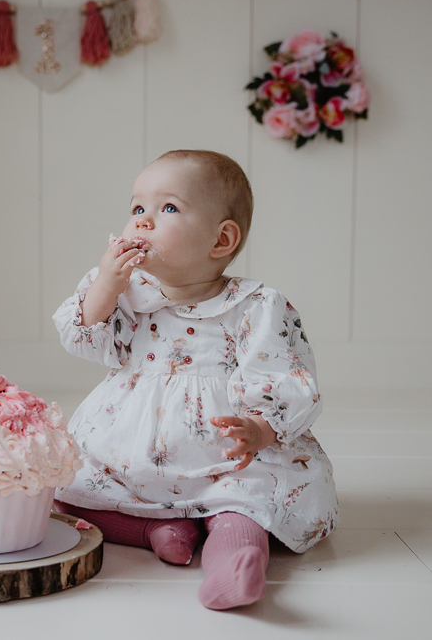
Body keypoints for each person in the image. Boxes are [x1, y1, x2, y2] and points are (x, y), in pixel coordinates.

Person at [52, 149, 337, 610]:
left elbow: (286, 376)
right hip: (133, 452)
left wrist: (260, 430)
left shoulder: (256, 305)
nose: (143, 221)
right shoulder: (125, 293)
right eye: (136, 208)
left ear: (221, 240)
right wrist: (105, 283)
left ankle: (236, 563)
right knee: (67, 494)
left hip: (223, 460)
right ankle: (157, 530)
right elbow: (81, 335)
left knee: (245, 505)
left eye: (167, 208)